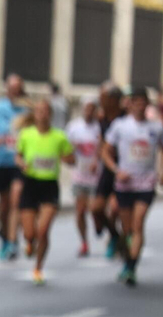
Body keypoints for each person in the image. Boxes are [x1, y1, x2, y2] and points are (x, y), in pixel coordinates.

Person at [101, 85, 163, 287]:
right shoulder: (120, 126)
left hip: (146, 182)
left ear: (147, 105)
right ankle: (127, 260)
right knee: (127, 229)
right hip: (125, 183)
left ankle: (132, 267)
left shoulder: (157, 127)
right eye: (136, 103)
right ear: (130, 104)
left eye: (143, 103)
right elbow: (105, 152)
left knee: (138, 223)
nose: (140, 107)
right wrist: (116, 170)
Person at [15, 99, 74, 285]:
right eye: (39, 110)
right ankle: (29, 243)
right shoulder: (26, 134)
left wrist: (66, 158)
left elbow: (71, 158)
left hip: (49, 185)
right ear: (34, 114)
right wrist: (22, 164)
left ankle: (38, 268)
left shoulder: (59, 136)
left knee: (43, 231)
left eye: (46, 110)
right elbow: (18, 156)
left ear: (50, 114)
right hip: (30, 184)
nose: (42, 114)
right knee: (29, 233)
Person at [0, 74, 29, 260]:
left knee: (16, 200)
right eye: (12, 88)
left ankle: (12, 241)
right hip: (2, 162)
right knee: (3, 204)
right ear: (7, 89)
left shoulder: (27, 108)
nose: (14, 91)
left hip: (20, 162)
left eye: (18, 88)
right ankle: (3, 232)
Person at [65, 99, 104, 257]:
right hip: (79, 175)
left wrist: (97, 159)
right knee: (80, 211)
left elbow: (106, 148)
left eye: (92, 109)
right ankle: (84, 242)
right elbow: (65, 149)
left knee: (96, 209)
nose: (89, 112)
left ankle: (99, 224)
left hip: (97, 176)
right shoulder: (73, 127)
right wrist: (70, 154)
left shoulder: (100, 127)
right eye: (86, 109)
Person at [92, 84, 125, 257]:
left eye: (103, 97)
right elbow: (101, 142)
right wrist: (97, 159)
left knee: (116, 209)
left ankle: (118, 242)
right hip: (108, 169)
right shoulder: (102, 118)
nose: (100, 101)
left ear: (113, 100)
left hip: (124, 170)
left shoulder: (125, 118)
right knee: (96, 208)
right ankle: (114, 234)